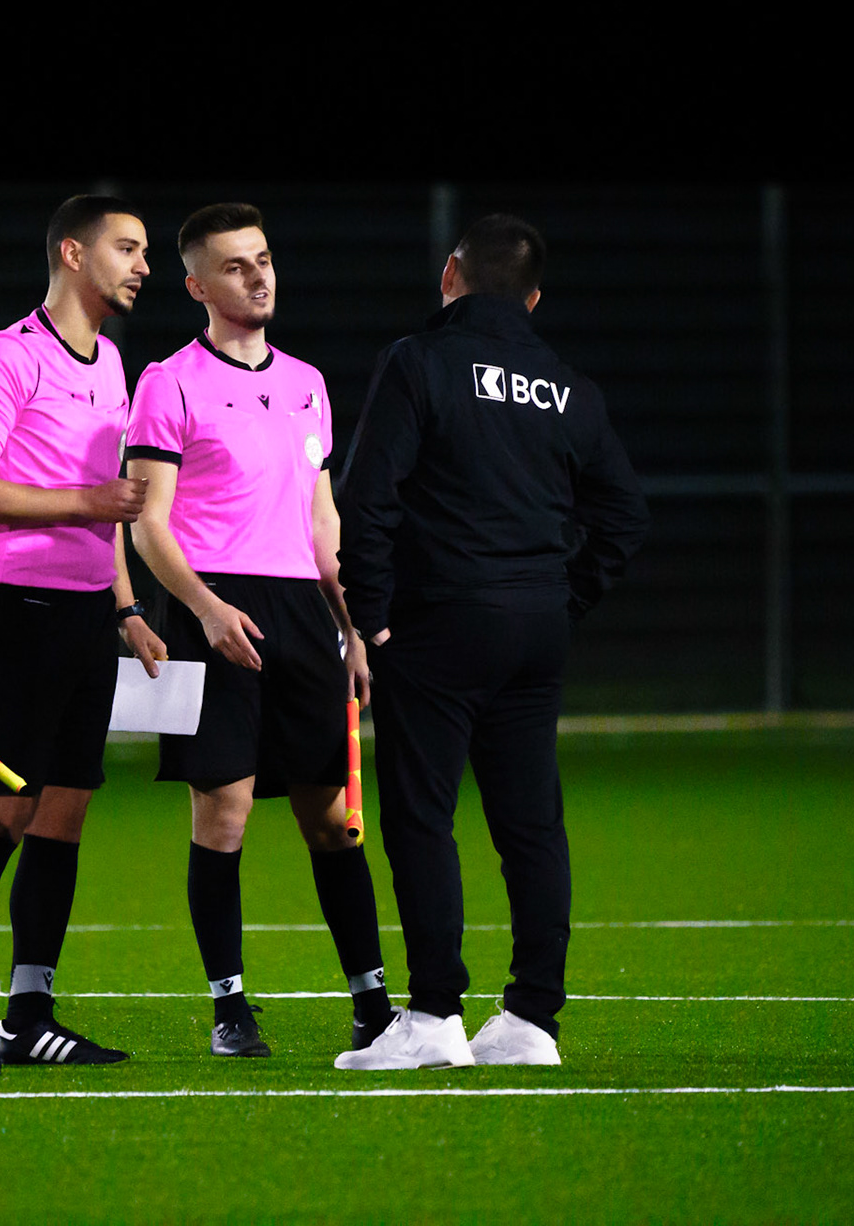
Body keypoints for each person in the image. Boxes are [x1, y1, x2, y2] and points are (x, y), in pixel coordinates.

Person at [332, 214, 649, 1069]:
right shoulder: (567, 385)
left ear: (450, 276)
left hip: (439, 623)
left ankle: (436, 1015)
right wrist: (562, 598)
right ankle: (533, 1020)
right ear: (534, 297)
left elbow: (368, 500)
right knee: (531, 824)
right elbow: (623, 513)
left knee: (423, 817)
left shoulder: (420, 361)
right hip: (534, 629)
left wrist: (372, 613)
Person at [126, 203, 394, 1058]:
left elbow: (323, 524)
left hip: (301, 615)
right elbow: (147, 524)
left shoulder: (309, 381)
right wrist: (204, 610)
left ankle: (372, 1003)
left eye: (265, 259)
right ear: (198, 285)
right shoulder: (167, 382)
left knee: (336, 820)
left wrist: (355, 627)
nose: (259, 276)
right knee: (226, 817)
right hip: (212, 609)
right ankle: (230, 1008)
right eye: (236, 266)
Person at [0, 195, 169, 1066]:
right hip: (11, 613)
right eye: (127, 247)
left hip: (80, 618)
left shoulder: (113, 363)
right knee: (3, 809)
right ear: (72, 251)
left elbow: (110, 518)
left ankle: (29, 1014)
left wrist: (126, 609)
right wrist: (86, 503)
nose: (143, 264)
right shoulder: (6, 356)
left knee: (64, 813)